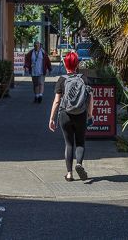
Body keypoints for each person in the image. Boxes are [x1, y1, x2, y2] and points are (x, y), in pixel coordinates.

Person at [48, 51, 93, 181]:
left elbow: (57, 101)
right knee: (80, 142)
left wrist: (51, 118)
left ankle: (69, 173)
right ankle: (79, 163)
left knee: (68, 144)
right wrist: (90, 114)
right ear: (77, 64)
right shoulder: (84, 79)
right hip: (81, 114)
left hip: (65, 115)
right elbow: (91, 98)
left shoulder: (62, 80)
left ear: (65, 63)